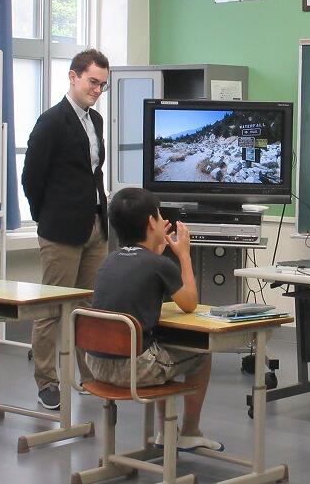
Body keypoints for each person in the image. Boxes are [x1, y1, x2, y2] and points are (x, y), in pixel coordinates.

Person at [86, 187, 222, 452]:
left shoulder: (110, 260)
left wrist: (155, 252)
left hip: (97, 365)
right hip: (133, 370)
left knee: (160, 346)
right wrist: (184, 255)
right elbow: (189, 303)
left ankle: (165, 432)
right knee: (202, 355)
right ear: (151, 222)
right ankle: (190, 430)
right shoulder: (159, 265)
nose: (164, 221)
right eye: (160, 216)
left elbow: (139, 277)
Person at [21, 49, 110, 410]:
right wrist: (45, 217)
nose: (97, 90)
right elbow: (31, 178)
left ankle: (88, 374)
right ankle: (47, 380)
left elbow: (92, 172)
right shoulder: (52, 122)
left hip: (94, 225)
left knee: (89, 305)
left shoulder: (96, 120)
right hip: (60, 229)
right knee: (51, 307)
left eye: (102, 85)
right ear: (73, 77)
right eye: (92, 82)